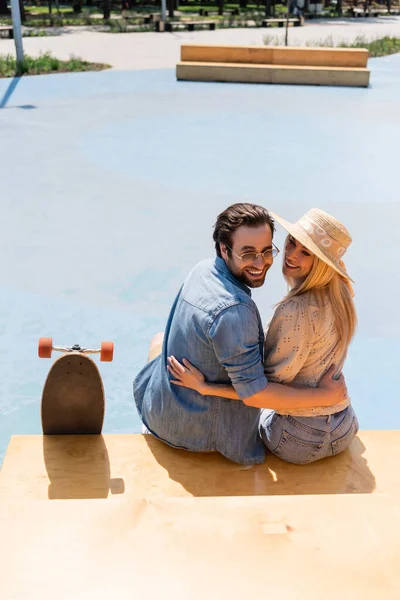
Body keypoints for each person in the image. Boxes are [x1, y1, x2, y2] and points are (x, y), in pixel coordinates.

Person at [133, 204, 347, 466]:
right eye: (248, 254)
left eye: (267, 250)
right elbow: (256, 393)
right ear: (224, 249)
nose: (261, 263)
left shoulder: (202, 269)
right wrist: (324, 396)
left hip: (161, 409)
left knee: (158, 339)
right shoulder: (237, 312)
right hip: (198, 435)